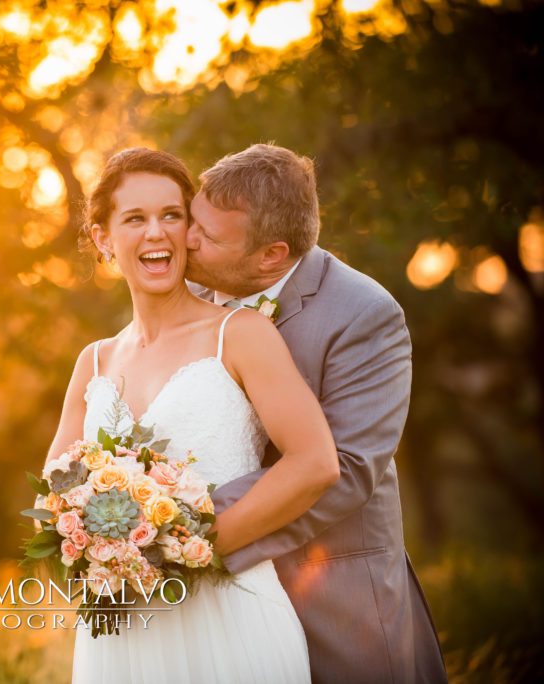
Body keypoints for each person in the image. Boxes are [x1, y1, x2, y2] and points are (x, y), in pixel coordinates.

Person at [46, 147, 340, 683]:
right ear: (104, 239)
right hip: (124, 628)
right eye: (134, 218)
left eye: (171, 215)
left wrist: (188, 549)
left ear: (188, 230)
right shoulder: (93, 361)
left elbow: (316, 463)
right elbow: (55, 496)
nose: (156, 232)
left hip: (230, 616)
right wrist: (103, 546)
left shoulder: (240, 334)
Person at [184, 143, 448, 683]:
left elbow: (347, 469)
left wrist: (187, 522)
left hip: (333, 593)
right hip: (214, 600)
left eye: (206, 237)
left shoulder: (364, 315)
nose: (185, 240)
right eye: (192, 220)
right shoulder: (190, 288)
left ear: (270, 256)